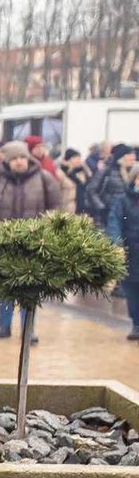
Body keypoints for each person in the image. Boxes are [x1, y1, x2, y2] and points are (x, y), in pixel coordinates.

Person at [0, 141, 63, 341]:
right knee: (5, 286)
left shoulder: (44, 178)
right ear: (7, 161)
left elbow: (57, 207)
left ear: (28, 158)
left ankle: (28, 329)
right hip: (5, 242)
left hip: (35, 241)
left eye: (22, 157)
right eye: (14, 159)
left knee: (30, 288)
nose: (19, 162)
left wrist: (41, 228)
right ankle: (3, 326)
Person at [105, 164, 139, 340]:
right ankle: (136, 324)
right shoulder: (122, 200)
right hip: (131, 252)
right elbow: (114, 221)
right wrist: (116, 243)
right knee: (132, 289)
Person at [88, 143, 134, 230]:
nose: (133, 157)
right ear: (121, 157)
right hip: (108, 213)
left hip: (126, 214)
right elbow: (91, 190)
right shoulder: (107, 171)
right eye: (129, 154)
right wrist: (102, 207)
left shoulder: (132, 172)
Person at [59, 148, 92, 216]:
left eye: (79, 158)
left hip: (82, 208)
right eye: (75, 158)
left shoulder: (82, 171)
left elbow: (89, 186)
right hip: (67, 208)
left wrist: (87, 171)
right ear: (68, 160)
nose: (78, 160)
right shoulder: (63, 172)